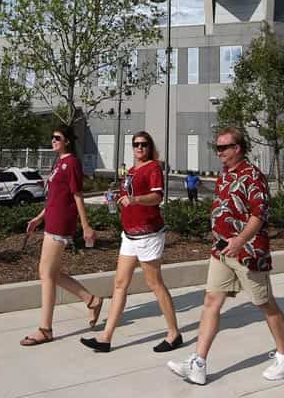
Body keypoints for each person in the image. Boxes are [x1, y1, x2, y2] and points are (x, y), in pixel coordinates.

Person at [168, 126, 284, 385]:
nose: (219, 152)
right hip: (221, 250)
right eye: (217, 147)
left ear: (238, 148)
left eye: (223, 147)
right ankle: (198, 363)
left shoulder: (253, 176)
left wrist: (240, 240)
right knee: (211, 301)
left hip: (248, 253)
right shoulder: (225, 174)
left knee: (265, 304)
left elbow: (259, 215)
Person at [84, 130, 184, 354]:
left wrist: (135, 199)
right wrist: (117, 198)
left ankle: (174, 333)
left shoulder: (153, 167)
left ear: (149, 147)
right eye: (136, 144)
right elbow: (127, 196)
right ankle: (106, 337)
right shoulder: (131, 171)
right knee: (120, 284)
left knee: (154, 283)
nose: (139, 148)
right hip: (128, 234)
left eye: (144, 144)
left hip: (148, 234)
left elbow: (157, 196)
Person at [21, 124, 102, 346]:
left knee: (45, 272)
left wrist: (85, 226)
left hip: (62, 223)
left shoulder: (72, 163)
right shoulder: (59, 163)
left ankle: (45, 329)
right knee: (52, 274)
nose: (53, 140)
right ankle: (91, 300)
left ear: (66, 140)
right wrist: (39, 218)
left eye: (57, 137)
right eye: (52, 137)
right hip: (52, 219)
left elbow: (77, 195)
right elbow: (55, 197)